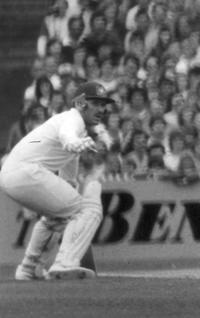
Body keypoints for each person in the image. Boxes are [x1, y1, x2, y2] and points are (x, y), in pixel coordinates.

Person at [0, 82, 114, 280]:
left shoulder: (78, 129)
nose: (101, 109)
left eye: (103, 105)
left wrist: (71, 185)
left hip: (14, 174)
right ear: (80, 103)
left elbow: (68, 176)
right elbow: (67, 136)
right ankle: (65, 263)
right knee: (88, 209)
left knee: (59, 216)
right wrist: (74, 142)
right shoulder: (72, 119)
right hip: (26, 172)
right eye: (95, 103)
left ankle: (29, 268)